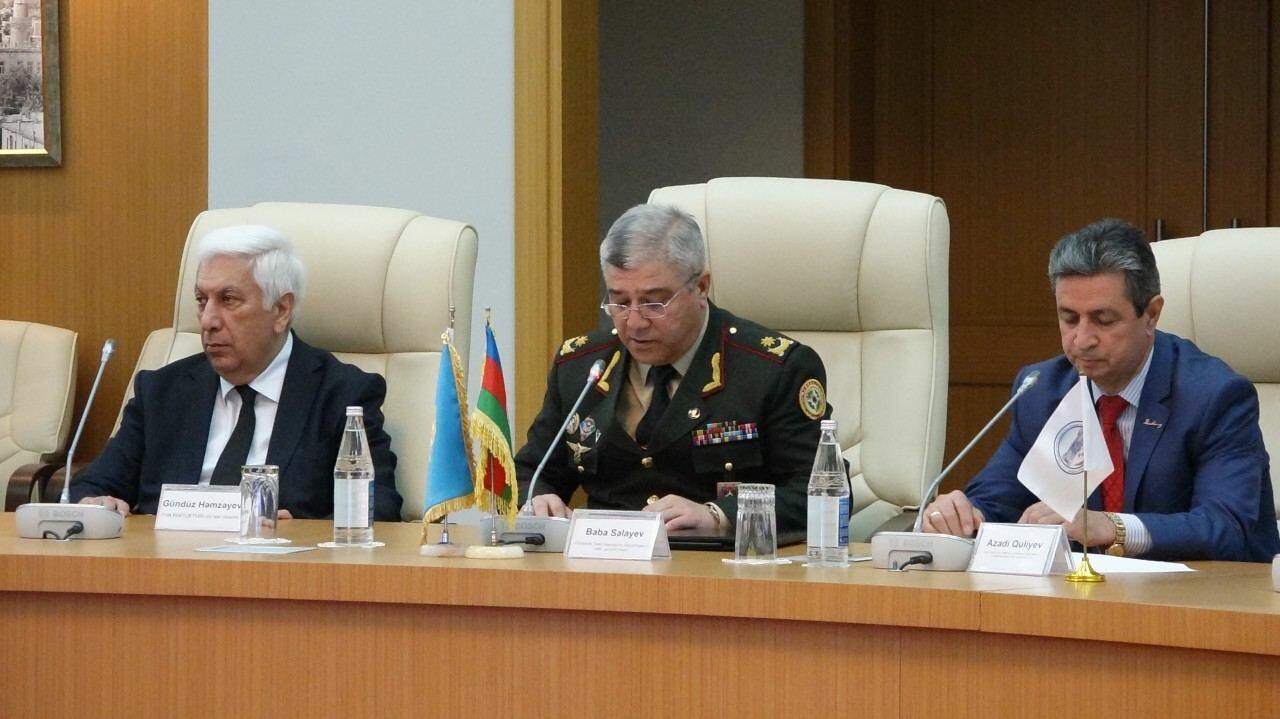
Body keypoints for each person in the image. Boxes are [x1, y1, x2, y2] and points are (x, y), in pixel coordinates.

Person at [922, 218, 1279, 562]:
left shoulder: (1214, 396)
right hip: (1083, 596)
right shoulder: (1043, 390)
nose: (1082, 340)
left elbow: (1226, 527)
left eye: (1103, 320)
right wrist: (962, 514)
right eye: (1069, 318)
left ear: (1151, 315)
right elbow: (998, 497)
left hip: (1200, 594)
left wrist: (1113, 527)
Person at [516, 203, 831, 533]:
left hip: (714, 560)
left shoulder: (772, 369)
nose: (634, 322)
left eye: (653, 303)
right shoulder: (582, 365)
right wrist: (537, 497)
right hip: (604, 558)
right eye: (619, 302)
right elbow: (529, 472)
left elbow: (818, 493)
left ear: (701, 288)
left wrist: (718, 516)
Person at [72, 225, 402, 520]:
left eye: (228, 300)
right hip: (171, 562)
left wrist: (305, 531)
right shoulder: (162, 392)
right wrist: (95, 502)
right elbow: (91, 487)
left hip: (279, 565)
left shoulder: (342, 394)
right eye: (202, 300)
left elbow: (379, 506)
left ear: (281, 310)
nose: (208, 321)